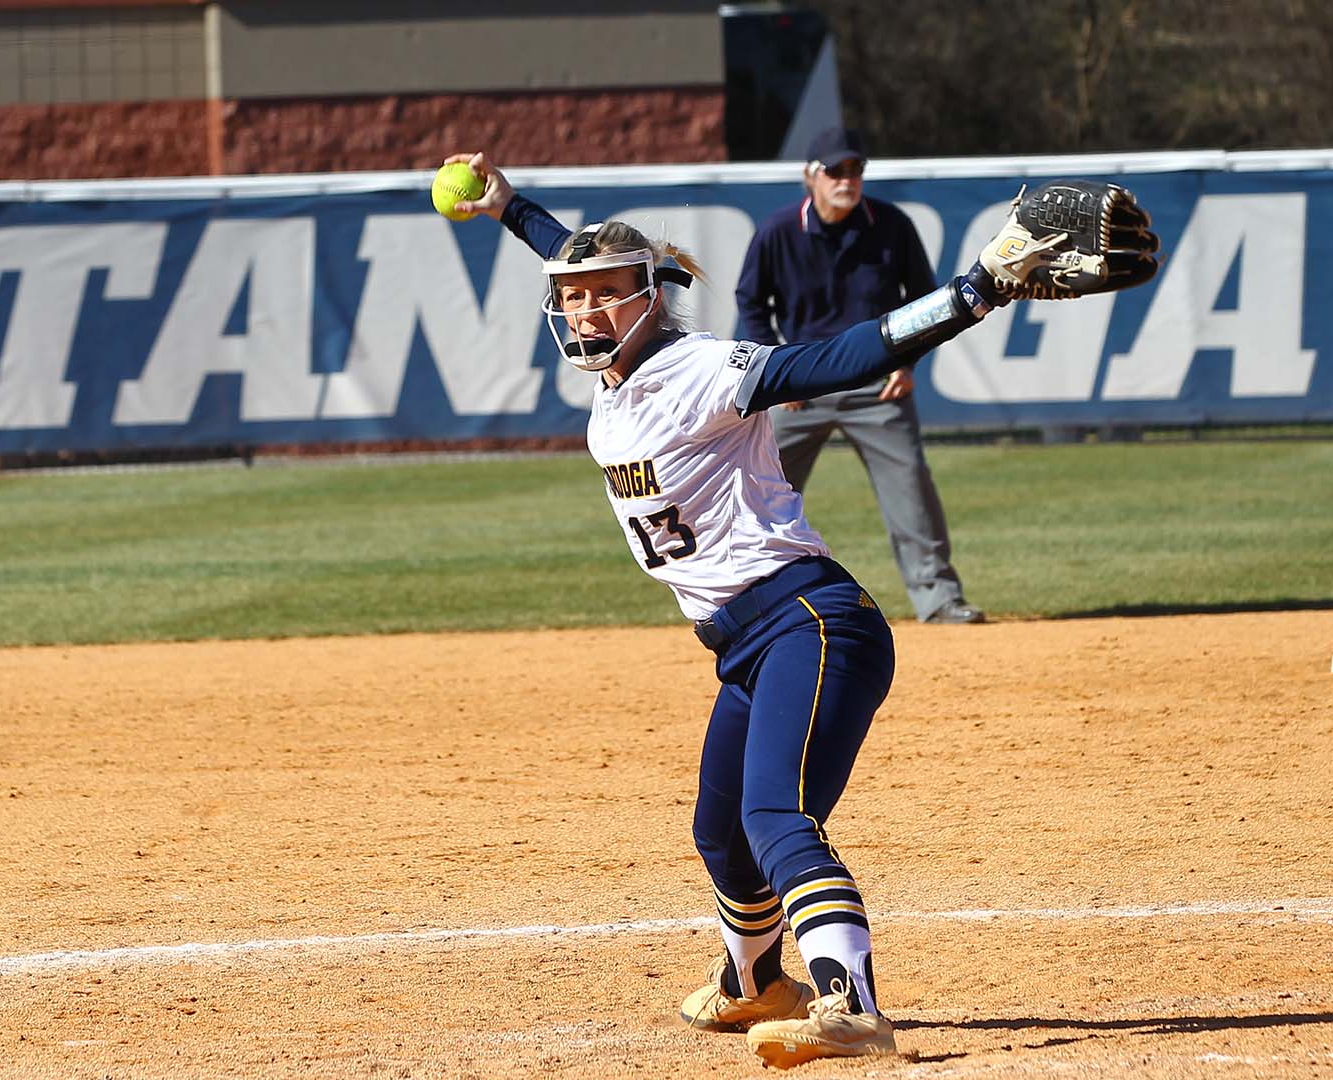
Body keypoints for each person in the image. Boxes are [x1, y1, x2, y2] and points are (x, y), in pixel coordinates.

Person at [436, 150, 1030, 1070]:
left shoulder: (702, 369)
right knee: (720, 832)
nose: (585, 310)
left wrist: (976, 290)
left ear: (651, 298)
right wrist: (513, 208)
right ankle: (753, 984)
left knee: (776, 816)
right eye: (572, 297)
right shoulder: (616, 383)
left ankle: (852, 1004)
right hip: (746, 645)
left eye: (607, 296)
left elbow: (844, 355)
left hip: (811, 621)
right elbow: (576, 256)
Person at [736, 127, 986, 624]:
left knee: (909, 487)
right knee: (758, 491)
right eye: (835, 170)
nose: (846, 180)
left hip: (878, 384)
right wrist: (774, 373)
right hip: (801, 386)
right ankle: (744, 602)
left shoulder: (890, 225)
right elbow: (751, 302)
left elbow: (926, 300)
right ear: (810, 176)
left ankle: (939, 598)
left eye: (855, 169)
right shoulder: (778, 231)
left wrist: (909, 363)